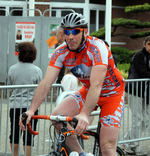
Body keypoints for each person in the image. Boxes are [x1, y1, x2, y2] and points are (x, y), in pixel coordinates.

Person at [19, 12, 125, 156]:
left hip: (112, 93)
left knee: (106, 146)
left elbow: (96, 85)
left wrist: (84, 114)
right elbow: (45, 83)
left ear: (85, 32)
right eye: (66, 32)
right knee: (57, 117)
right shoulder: (60, 52)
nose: (70, 36)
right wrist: (31, 110)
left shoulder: (97, 48)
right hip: (88, 91)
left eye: (75, 31)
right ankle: (81, 154)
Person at [8, 42, 42, 156]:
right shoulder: (37, 70)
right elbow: (39, 88)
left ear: (19, 53)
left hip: (15, 105)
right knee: (29, 135)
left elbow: (9, 86)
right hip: (31, 107)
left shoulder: (12, 69)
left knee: (15, 133)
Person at [122, 36, 150, 155]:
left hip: (146, 91)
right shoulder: (139, 55)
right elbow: (142, 71)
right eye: (149, 44)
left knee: (146, 119)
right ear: (144, 44)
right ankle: (134, 144)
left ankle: (127, 141)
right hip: (135, 90)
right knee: (137, 118)